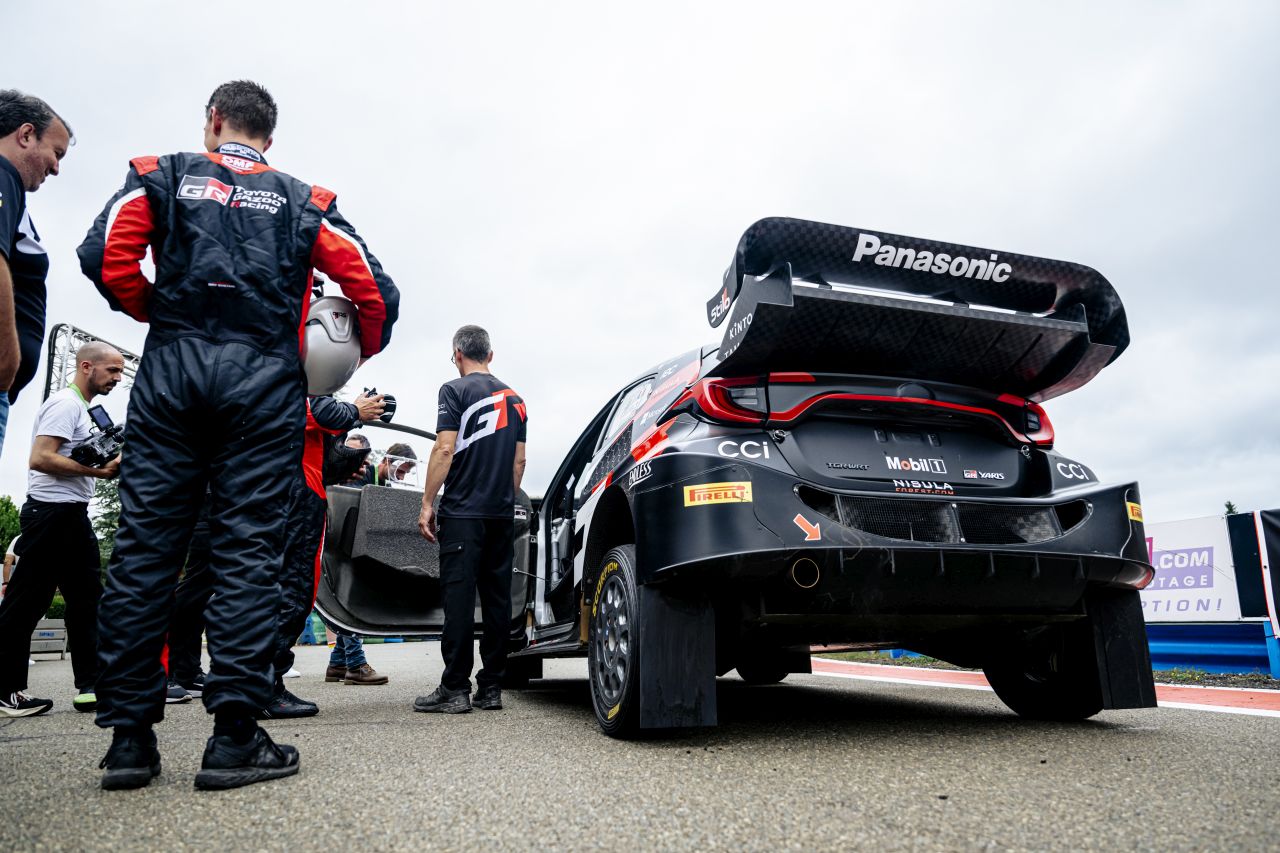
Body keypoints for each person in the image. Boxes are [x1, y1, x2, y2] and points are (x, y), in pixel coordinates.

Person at [78, 80, 399, 791]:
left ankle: (129, 740)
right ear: (268, 138)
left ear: (213, 121)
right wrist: (337, 362)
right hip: (263, 387)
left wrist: (163, 313)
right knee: (249, 552)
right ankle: (233, 738)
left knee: (145, 551)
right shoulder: (305, 200)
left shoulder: (160, 174)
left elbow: (105, 257)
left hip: (172, 377)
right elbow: (376, 294)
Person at [0, 342, 124, 717]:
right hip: (51, 514)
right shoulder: (65, 404)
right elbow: (40, 458)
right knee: (27, 602)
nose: (118, 378)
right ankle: (5, 691)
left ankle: (91, 686)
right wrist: (96, 470)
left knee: (88, 602)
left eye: (121, 371)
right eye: (112, 370)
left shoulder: (84, 410)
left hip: (71, 514)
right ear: (86, 367)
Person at [415, 325, 526, 714]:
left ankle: (455, 689)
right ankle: (491, 688)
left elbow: (444, 449)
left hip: (462, 512)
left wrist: (427, 503)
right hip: (500, 514)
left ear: (458, 354)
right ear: (490, 355)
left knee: (459, 601)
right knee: (497, 601)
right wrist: (504, 500)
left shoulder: (453, 391)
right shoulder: (516, 400)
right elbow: (519, 462)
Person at [263, 391, 385, 717]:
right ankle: (263, 686)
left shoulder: (308, 397)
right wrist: (355, 411)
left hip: (302, 492)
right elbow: (316, 411)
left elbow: (310, 440)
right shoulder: (297, 389)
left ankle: (266, 682)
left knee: (297, 592)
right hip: (294, 497)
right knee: (292, 592)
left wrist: (340, 466)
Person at [0, 91, 72, 456]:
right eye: (56, 153)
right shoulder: (3, 174)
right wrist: (7, 361)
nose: (56, 168)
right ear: (26, 135)